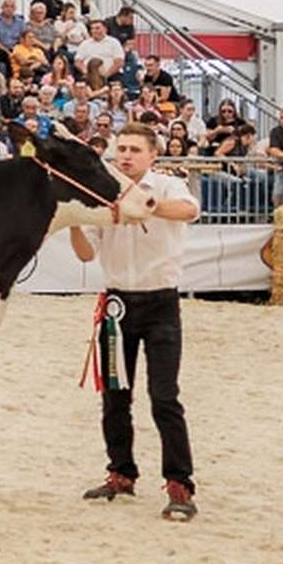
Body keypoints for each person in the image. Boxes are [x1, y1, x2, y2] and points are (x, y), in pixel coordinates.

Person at [69, 124, 202, 520]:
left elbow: (190, 211)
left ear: (152, 155)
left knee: (164, 397)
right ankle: (121, 472)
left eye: (133, 150)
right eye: (121, 149)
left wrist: (145, 204)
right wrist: (74, 220)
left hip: (161, 302)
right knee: (114, 396)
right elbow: (85, 254)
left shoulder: (167, 186)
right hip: (117, 306)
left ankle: (179, 483)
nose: (125, 156)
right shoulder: (104, 191)